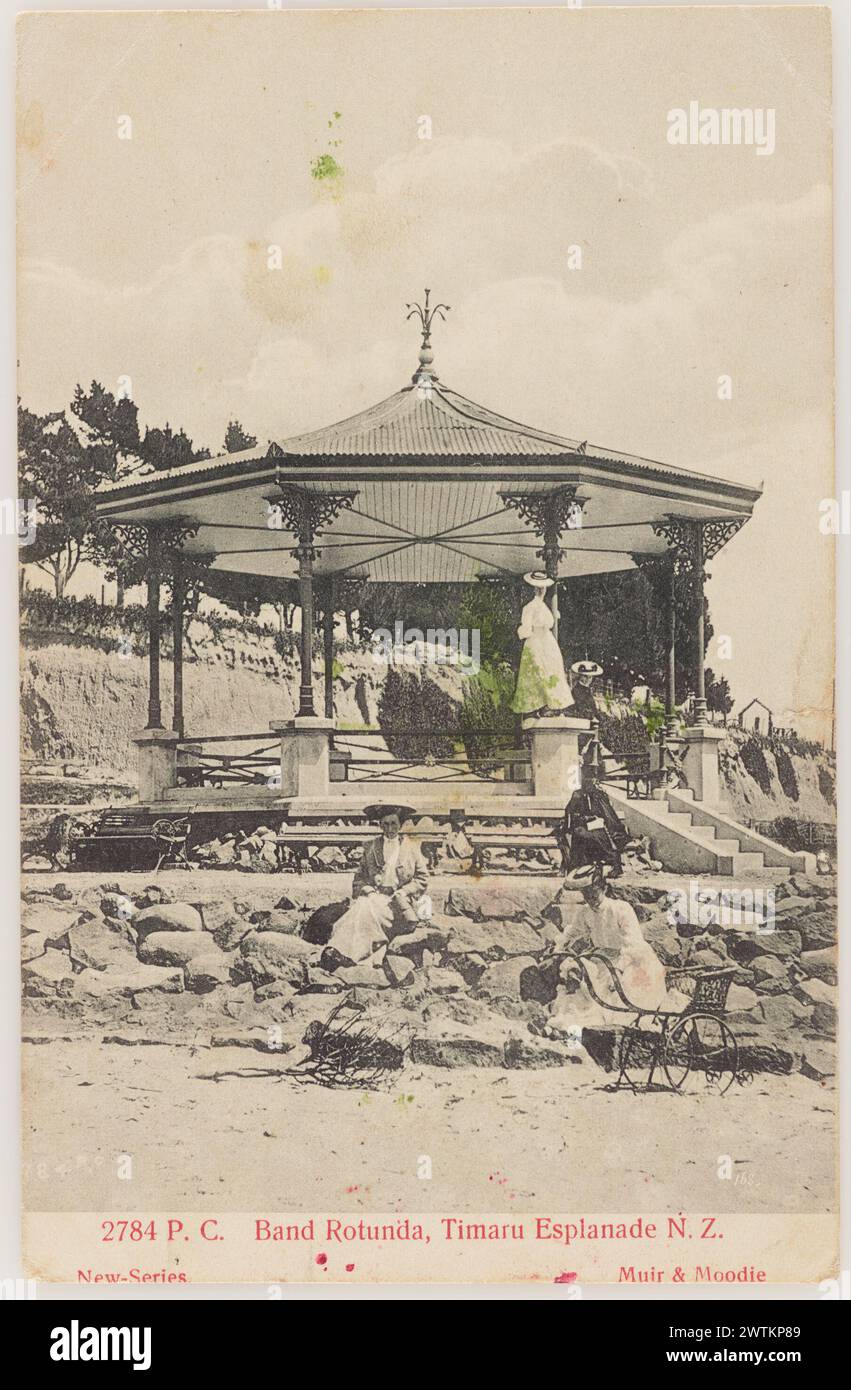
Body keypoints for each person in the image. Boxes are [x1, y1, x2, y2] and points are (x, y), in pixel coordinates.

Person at [325, 803, 428, 965]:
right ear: (380, 825)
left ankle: (352, 955)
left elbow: (422, 878)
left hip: (397, 902)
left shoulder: (412, 847)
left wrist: (405, 892)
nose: (390, 828)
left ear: (400, 825)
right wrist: (368, 890)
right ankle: (338, 950)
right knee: (361, 907)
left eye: (394, 823)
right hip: (375, 896)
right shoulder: (371, 847)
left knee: (366, 910)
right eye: (385, 824)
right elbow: (359, 878)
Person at [510, 571, 573, 716]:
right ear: (533, 588)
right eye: (538, 587)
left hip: (547, 641)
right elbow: (525, 629)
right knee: (538, 671)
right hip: (536, 641)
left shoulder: (544, 606)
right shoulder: (529, 607)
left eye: (543, 587)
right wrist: (528, 631)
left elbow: (550, 622)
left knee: (552, 670)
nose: (541, 590)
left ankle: (549, 705)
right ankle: (537, 707)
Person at [559, 760, 630, 876]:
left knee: (600, 836)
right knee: (582, 834)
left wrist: (599, 820)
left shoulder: (599, 795)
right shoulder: (577, 795)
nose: (590, 782)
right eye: (587, 779)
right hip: (581, 825)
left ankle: (613, 865)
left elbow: (609, 815)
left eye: (592, 779)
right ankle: (581, 867)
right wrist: (583, 819)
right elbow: (570, 812)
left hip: (599, 826)